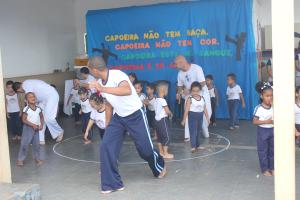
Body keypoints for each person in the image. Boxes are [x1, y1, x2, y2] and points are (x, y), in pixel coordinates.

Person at [87, 56, 165, 194]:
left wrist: (102, 89)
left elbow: (126, 90)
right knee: (106, 145)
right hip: (119, 117)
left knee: (145, 150)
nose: (89, 73)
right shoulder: (100, 82)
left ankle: (159, 165)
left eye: (89, 70)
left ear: (94, 69)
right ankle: (112, 184)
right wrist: (108, 124)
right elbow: (109, 104)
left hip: (136, 115)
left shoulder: (117, 75)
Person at [13, 80, 64, 144]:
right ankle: (41, 139)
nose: (21, 93)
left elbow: (30, 99)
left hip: (51, 96)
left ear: (18, 90)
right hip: (43, 100)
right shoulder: (27, 84)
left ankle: (59, 132)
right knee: (40, 118)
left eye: (19, 92)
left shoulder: (26, 85)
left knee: (49, 118)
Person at [175, 55, 211, 139]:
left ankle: (205, 132)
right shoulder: (180, 74)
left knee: (206, 115)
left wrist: (190, 90)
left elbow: (202, 83)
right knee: (188, 113)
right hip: (189, 96)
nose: (175, 66)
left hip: (202, 94)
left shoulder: (196, 68)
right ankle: (187, 136)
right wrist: (179, 93)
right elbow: (179, 86)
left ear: (182, 62)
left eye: (176, 64)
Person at [17, 92, 44, 167]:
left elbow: (41, 117)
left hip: (36, 129)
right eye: (30, 97)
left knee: (36, 144)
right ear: (26, 100)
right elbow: (24, 120)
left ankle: (37, 158)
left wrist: (41, 124)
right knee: (24, 144)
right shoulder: (26, 109)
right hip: (28, 128)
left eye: (34, 96)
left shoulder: (39, 108)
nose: (32, 98)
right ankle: (20, 159)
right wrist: (32, 125)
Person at [253, 82, 274, 176]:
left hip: (272, 130)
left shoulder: (274, 107)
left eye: (271, 96)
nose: (270, 98)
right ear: (262, 96)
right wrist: (267, 122)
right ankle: (265, 169)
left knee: (272, 150)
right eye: (267, 96)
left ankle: (272, 168)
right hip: (263, 131)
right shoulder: (259, 108)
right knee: (263, 151)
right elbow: (254, 122)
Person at [181, 82, 209, 153]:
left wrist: (208, 118)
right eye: (193, 91)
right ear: (191, 91)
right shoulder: (190, 99)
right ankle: (193, 147)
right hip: (192, 116)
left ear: (200, 91)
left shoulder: (202, 98)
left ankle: (198, 145)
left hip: (200, 116)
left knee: (198, 131)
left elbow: (205, 109)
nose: (195, 92)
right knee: (193, 132)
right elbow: (186, 110)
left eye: (197, 91)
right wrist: (184, 120)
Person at [154, 82, 174, 159]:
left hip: (156, 121)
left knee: (159, 137)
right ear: (163, 90)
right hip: (162, 121)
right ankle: (165, 153)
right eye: (167, 90)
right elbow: (167, 111)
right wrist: (170, 114)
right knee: (167, 136)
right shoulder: (163, 101)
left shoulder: (156, 100)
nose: (167, 91)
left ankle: (161, 152)